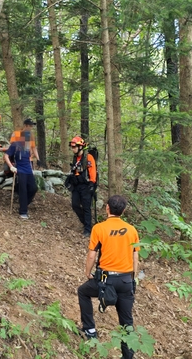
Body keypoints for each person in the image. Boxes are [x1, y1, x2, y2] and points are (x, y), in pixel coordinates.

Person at [77, 195, 140, 359]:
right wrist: (132, 280)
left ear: (107, 208)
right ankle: (127, 356)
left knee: (83, 292)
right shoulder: (132, 230)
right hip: (126, 280)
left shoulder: (99, 228)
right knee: (127, 322)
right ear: (123, 211)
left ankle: (90, 330)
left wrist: (88, 272)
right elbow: (135, 258)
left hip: (105, 281)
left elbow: (92, 255)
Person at [4, 119, 39, 219]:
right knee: (23, 189)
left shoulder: (28, 146)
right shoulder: (15, 144)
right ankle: (23, 211)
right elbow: (6, 156)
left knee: (33, 188)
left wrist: (36, 161)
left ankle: (24, 204)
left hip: (28, 169)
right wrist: (11, 166)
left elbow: (31, 153)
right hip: (20, 169)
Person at [68, 136, 97, 237]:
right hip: (76, 185)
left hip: (86, 186)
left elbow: (92, 173)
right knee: (75, 205)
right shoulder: (75, 157)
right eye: (72, 147)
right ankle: (86, 223)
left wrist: (92, 185)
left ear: (80, 147)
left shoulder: (88, 157)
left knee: (86, 207)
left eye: (74, 147)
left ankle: (88, 230)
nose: (72, 149)